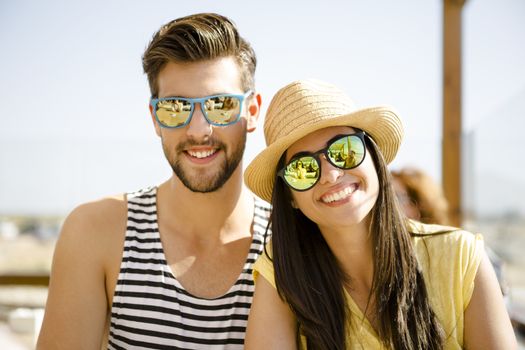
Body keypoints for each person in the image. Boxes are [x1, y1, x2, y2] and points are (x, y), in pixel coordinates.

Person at [37, 13, 269, 349]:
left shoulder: (287, 243)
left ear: (253, 111)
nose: (198, 130)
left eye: (220, 105)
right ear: (155, 119)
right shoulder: (95, 232)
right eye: (175, 107)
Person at [243, 79, 517, 349]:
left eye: (344, 150)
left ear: (374, 157)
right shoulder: (282, 276)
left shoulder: (461, 257)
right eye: (303, 168)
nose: (331, 174)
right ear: (289, 195)